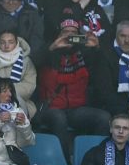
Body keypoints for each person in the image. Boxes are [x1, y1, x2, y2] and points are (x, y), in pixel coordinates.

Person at [33, 15, 109, 154]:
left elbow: (101, 69)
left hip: (76, 109)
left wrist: (97, 48)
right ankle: (64, 160)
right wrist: (53, 47)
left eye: (73, 33)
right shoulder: (49, 52)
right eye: (65, 33)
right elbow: (34, 61)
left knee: (103, 118)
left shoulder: (85, 52)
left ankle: (95, 157)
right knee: (59, 118)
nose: (69, 36)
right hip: (51, 108)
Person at [0, 30, 38, 118]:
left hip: (19, 100)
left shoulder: (26, 61)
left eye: (11, 42)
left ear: (16, 43)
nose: (6, 46)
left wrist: (6, 92)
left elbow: (29, 85)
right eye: (2, 42)